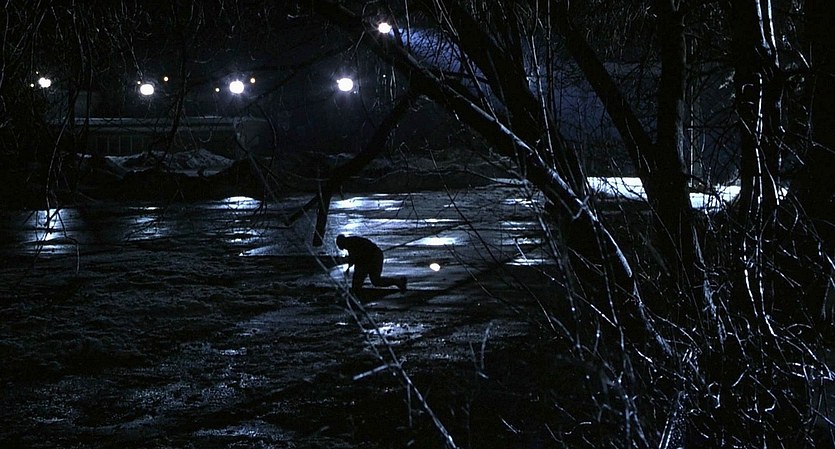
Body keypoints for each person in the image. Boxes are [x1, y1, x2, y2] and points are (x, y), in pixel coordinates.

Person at [336, 234, 407, 293]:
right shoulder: (350, 242)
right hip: (371, 257)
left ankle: (398, 282)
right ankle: (398, 282)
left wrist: (349, 266)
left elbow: (355, 258)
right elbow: (354, 258)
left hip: (374, 257)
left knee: (374, 280)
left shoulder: (350, 243)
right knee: (371, 280)